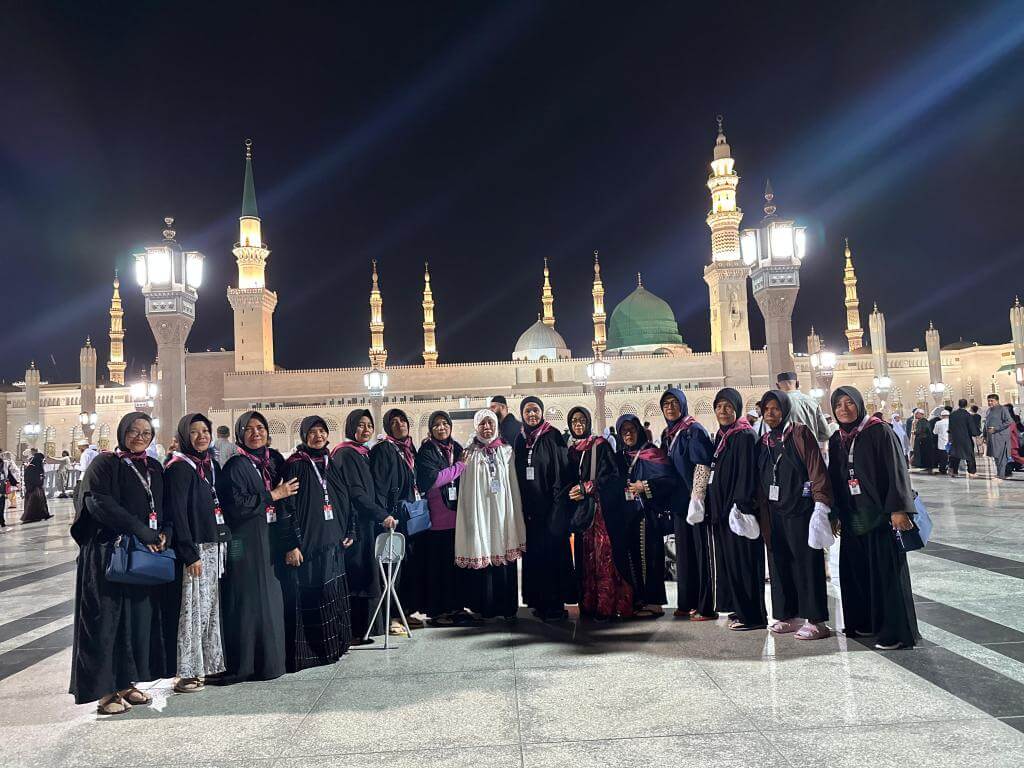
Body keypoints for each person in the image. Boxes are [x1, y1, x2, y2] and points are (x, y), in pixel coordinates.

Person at [69, 412, 174, 713]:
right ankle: (103, 692)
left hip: (138, 556)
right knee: (104, 621)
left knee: (131, 621)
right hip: (106, 555)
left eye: (146, 432)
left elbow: (163, 505)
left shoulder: (153, 466)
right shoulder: (105, 464)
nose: (140, 437)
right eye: (133, 431)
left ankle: (127, 682)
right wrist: (142, 531)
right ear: (121, 432)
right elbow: (98, 502)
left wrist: (164, 531)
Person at [828, 386, 920, 650]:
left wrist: (899, 509)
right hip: (853, 517)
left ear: (859, 404)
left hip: (880, 517)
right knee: (855, 572)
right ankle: (864, 623)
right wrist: (834, 513)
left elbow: (896, 470)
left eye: (849, 403)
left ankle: (893, 632)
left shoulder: (879, 431)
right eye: (838, 405)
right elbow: (835, 478)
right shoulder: (838, 439)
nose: (844, 409)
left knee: (885, 574)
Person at [215, 410, 299, 684]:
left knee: (270, 600)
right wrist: (272, 495)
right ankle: (248, 663)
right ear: (240, 434)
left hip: (267, 541)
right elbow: (235, 506)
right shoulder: (236, 466)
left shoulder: (270, 461)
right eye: (249, 429)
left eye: (260, 427)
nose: (255, 433)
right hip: (244, 544)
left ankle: (271, 662)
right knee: (248, 601)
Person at [279, 416, 354, 672]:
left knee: (334, 595)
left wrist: (350, 528)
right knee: (315, 596)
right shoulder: (296, 465)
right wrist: (291, 544)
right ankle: (316, 653)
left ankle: (336, 647)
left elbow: (346, 497)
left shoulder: (330, 461)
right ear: (303, 435)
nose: (318, 436)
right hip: (309, 547)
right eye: (312, 432)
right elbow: (286, 507)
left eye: (322, 431)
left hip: (334, 544)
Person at [758, 390, 833, 640]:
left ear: (785, 409)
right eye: (766, 409)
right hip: (774, 511)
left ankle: (816, 620)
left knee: (806, 563)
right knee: (780, 562)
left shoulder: (799, 433)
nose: (770, 413)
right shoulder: (766, 440)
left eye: (775, 408)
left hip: (800, 510)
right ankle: (788, 614)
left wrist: (821, 503)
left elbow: (816, 467)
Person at [165, 413, 230, 693]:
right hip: (195, 549)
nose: (202, 436)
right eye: (195, 432)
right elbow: (177, 513)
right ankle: (187, 672)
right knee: (192, 611)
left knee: (208, 609)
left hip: (213, 543)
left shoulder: (210, 465)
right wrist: (189, 553)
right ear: (183, 436)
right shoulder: (179, 468)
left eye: (206, 431)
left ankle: (208, 665)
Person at [331, 409, 396, 645]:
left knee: (367, 574)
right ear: (350, 427)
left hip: (364, 523)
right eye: (360, 425)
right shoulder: (346, 454)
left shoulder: (361, 453)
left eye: (369, 425)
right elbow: (356, 494)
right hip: (354, 526)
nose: (366, 429)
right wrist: (382, 514)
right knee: (358, 576)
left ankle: (366, 629)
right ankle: (357, 632)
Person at [705, 389, 766, 632]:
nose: (723, 411)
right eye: (719, 406)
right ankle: (738, 609)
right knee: (731, 563)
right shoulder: (724, 435)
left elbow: (746, 474)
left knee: (744, 564)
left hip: (738, 513)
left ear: (737, 409)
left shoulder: (744, 436)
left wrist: (740, 505)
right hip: (723, 513)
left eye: (728, 407)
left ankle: (752, 616)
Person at [455, 409, 526, 620]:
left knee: (504, 551)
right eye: (482, 424)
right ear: (476, 427)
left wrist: (515, 511)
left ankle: (507, 608)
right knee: (484, 549)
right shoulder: (469, 453)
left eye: (490, 423)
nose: (487, 427)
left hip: (503, 512)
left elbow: (513, 484)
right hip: (481, 512)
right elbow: (466, 489)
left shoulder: (506, 451)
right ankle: (485, 606)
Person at [565, 407, 633, 621]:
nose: (578, 424)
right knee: (586, 560)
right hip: (583, 514)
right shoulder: (571, 450)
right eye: (574, 420)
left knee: (603, 558)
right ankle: (589, 604)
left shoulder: (600, 445)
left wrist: (588, 487)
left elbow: (613, 476)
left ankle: (606, 606)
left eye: (582, 420)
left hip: (601, 513)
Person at [514, 396, 575, 621]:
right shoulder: (521, 439)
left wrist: (558, 506)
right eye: (528, 411)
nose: (532, 415)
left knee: (553, 557)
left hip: (551, 509)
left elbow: (562, 472)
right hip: (530, 512)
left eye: (535, 410)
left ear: (542, 412)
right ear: (522, 414)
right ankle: (539, 601)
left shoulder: (552, 435)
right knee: (536, 558)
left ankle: (555, 605)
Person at [660, 387, 716, 620]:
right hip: (679, 504)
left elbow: (702, 465)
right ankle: (687, 602)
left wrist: (697, 498)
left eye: (674, 403)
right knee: (684, 555)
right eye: (666, 404)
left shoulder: (693, 430)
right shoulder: (668, 433)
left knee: (700, 554)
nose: (670, 408)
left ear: (682, 405)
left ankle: (705, 607)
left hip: (695, 503)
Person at [616, 414, 677, 617]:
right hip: (627, 515)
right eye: (624, 431)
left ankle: (654, 602)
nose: (628, 434)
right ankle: (638, 599)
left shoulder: (652, 453)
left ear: (639, 430)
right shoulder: (622, 456)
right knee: (633, 557)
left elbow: (669, 481)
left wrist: (645, 486)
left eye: (632, 429)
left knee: (650, 556)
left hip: (648, 515)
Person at [414, 410, 472, 626]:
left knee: (455, 568)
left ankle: (456, 608)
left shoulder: (456, 448)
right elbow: (433, 480)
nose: (441, 428)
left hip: (457, 517)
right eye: (436, 425)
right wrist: (459, 467)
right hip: (438, 520)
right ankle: (438, 611)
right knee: (440, 568)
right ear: (431, 429)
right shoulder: (427, 451)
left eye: (444, 424)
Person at [371, 408, 424, 635]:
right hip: (392, 517)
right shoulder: (384, 449)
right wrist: (384, 515)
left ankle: (404, 611)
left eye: (403, 420)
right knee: (392, 568)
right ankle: (391, 616)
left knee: (408, 565)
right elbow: (379, 485)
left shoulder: (409, 448)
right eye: (394, 422)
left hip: (408, 516)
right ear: (387, 427)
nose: (400, 424)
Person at [775, 372, 830, 445]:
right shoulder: (812, 401)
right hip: (812, 451)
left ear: (777, 386)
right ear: (797, 383)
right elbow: (826, 433)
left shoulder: (776, 405)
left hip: (787, 452)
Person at [948, 399, 981, 477]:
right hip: (966, 438)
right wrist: (976, 434)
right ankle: (971, 471)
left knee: (956, 454)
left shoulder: (953, 414)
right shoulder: (967, 415)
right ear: (966, 405)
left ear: (958, 404)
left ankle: (954, 471)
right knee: (969, 455)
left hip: (955, 438)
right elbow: (971, 427)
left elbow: (950, 427)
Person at [985, 394, 1013, 479]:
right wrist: (984, 435)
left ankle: (1001, 475)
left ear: (997, 401)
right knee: (996, 456)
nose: (990, 402)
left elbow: (1009, 421)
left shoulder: (1003, 409)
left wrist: (996, 429)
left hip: (1000, 436)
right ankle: (999, 473)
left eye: (992, 401)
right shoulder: (989, 410)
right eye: (989, 401)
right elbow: (986, 423)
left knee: (1001, 456)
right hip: (991, 437)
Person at [21, 451, 52, 523]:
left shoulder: (35, 466)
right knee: (33, 504)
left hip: (38, 487)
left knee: (41, 502)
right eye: (41, 460)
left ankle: (44, 515)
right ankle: (32, 517)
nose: (42, 462)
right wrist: (39, 480)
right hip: (33, 488)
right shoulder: (31, 467)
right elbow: (30, 478)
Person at [0, 451, 17, 529]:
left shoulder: (4, 463)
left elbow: (9, 474)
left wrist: (15, 483)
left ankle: (2, 520)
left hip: (2, 484)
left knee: (2, 502)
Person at [932, 409, 951, 474]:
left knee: (943, 457)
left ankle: (942, 469)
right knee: (951, 456)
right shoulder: (952, 422)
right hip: (950, 441)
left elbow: (935, 432)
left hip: (942, 443)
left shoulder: (938, 423)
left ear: (941, 416)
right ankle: (952, 468)